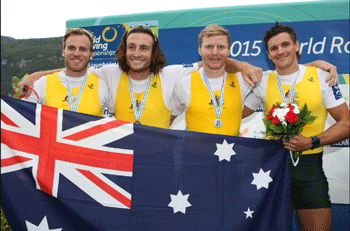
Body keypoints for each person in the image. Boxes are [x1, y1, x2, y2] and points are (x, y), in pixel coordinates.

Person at [18, 25, 264, 128]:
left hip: (160, 164)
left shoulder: (171, 74)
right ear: (124, 50)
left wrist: (243, 66)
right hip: (121, 161)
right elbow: (76, 67)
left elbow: (213, 59)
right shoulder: (109, 73)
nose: (137, 53)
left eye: (144, 48)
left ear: (153, 51)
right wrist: (37, 75)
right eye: (131, 47)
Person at [243, 22, 350, 230]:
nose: (280, 51)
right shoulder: (262, 82)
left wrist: (312, 141)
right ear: (268, 53)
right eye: (274, 48)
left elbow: (346, 122)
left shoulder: (321, 77)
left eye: (285, 45)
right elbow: (232, 115)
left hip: (309, 171)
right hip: (274, 169)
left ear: (297, 45)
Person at [171, 23, 339, 136]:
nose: (215, 52)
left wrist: (314, 65)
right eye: (209, 47)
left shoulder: (245, 80)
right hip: (194, 164)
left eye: (221, 47)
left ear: (229, 50)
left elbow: (285, 72)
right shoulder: (183, 82)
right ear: (200, 50)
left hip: (230, 164)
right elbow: (167, 120)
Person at [23, 28, 111, 117]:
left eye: (83, 49)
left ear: (91, 55)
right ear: (63, 52)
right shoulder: (43, 83)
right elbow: (21, 114)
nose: (76, 53)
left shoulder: (103, 85)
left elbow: (122, 120)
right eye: (71, 48)